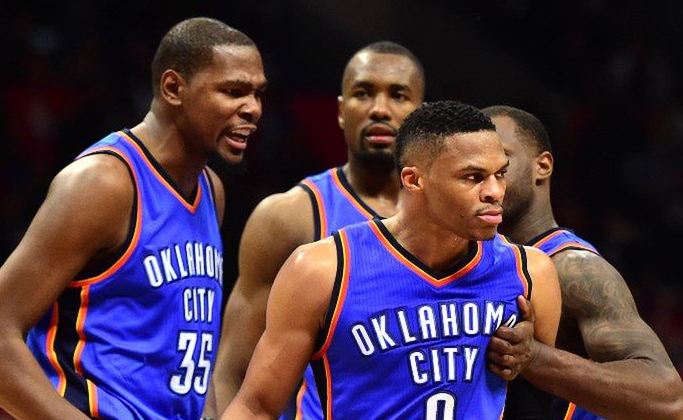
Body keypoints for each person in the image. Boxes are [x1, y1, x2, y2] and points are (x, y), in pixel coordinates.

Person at [0, 17, 267, 420]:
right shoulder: (104, 184)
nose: (253, 109)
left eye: (258, 94)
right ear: (173, 88)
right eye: (233, 92)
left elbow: (190, 351)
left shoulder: (210, 190)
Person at [221, 101, 562, 419]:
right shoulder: (322, 270)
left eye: (500, 174)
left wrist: (532, 358)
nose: (495, 192)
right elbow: (256, 407)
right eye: (472, 177)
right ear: (414, 180)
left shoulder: (531, 272)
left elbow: (536, 407)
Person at [211, 41, 425, 418]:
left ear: (421, 115)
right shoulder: (289, 217)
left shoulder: (454, 219)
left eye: (398, 95)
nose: (380, 109)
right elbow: (232, 371)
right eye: (363, 93)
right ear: (341, 111)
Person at [483, 105, 683, 420]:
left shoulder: (574, 268)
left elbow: (668, 397)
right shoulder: (472, 262)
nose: (488, 177)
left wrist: (534, 357)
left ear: (542, 166)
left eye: (501, 160)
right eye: (475, 166)